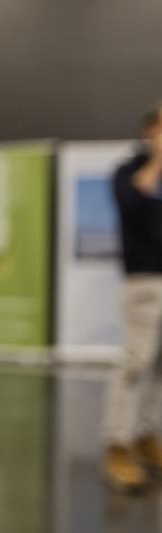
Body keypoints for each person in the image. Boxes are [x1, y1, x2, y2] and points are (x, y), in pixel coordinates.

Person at [103, 104, 162, 492]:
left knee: (160, 367)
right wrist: (158, 160)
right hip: (144, 282)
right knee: (136, 363)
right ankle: (118, 445)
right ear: (150, 131)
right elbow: (131, 202)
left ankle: (145, 435)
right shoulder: (127, 171)